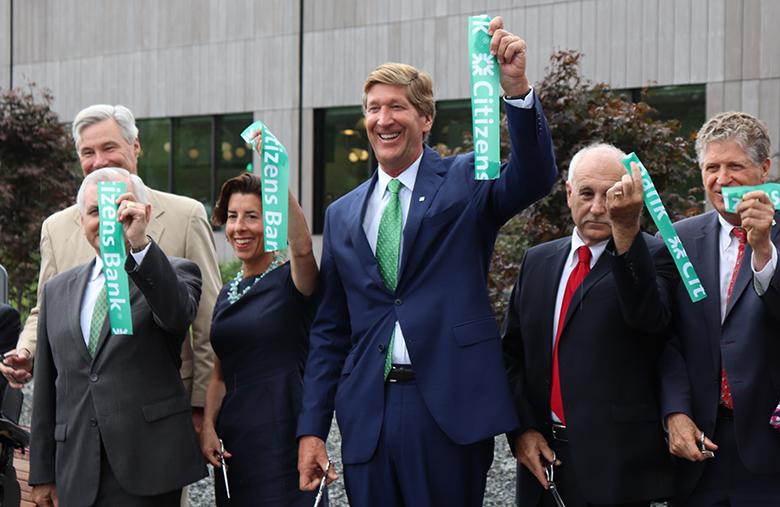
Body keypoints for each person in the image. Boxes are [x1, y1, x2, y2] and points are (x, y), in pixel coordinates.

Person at [296, 16, 558, 507]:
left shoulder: (466, 178)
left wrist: (517, 89)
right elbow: (330, 330)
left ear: (426, 118)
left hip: (448, 411)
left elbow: (534, 178)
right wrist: (312, 429)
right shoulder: (341, 213)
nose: (383, 119)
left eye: (397, 106)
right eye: (373, 108)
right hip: (367, 416)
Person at [0, 104, 220, 435]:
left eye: (109, 147)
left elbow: (207, 321)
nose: (99, 160)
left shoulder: (183, 216)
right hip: (81, 413)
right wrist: (26, 350)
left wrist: (202, 407)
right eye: (87, 152)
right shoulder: (57, 227)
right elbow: (44, 309)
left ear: (135, 147)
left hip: (161, 413)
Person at [502, 144, 676, 507]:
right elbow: (511, 353)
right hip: (543, 463)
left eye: (612, 195)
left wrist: (626, 231)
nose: (598, 207)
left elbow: (649, 321)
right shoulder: (538, 260)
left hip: (617, 470)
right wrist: (521, 430)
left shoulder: (652, 254)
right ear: (568, 194)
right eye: (586, 193)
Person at [29, 167, 207, 506]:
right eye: (96, 212)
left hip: (148, 465)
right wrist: (42, 473)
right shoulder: (57, 291)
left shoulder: (176, 272)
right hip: (78, 468)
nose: (108, 220)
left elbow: (176, 316)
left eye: (119, 207)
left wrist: (140, 245)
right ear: (81, 219)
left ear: (144, 212)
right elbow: (47, 387)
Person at [659, 111, 780, 505]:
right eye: (712, 167)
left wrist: (763, 249)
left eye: (735, 166)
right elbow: (665, 336)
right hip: (697, 451)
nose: (722, 179)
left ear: (764, 168)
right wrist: (674, 413)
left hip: (770, 450)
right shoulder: (679, 239)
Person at [199, 166, 320, 506]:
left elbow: (303, 250)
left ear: (274, 222)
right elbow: (219, 376)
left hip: (284, 434)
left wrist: (279, 179)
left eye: (252, 216)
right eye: (234, 216)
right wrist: (208, 425)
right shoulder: (226, 293)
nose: (240, 227)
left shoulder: (293, 281)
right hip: (236, 441)